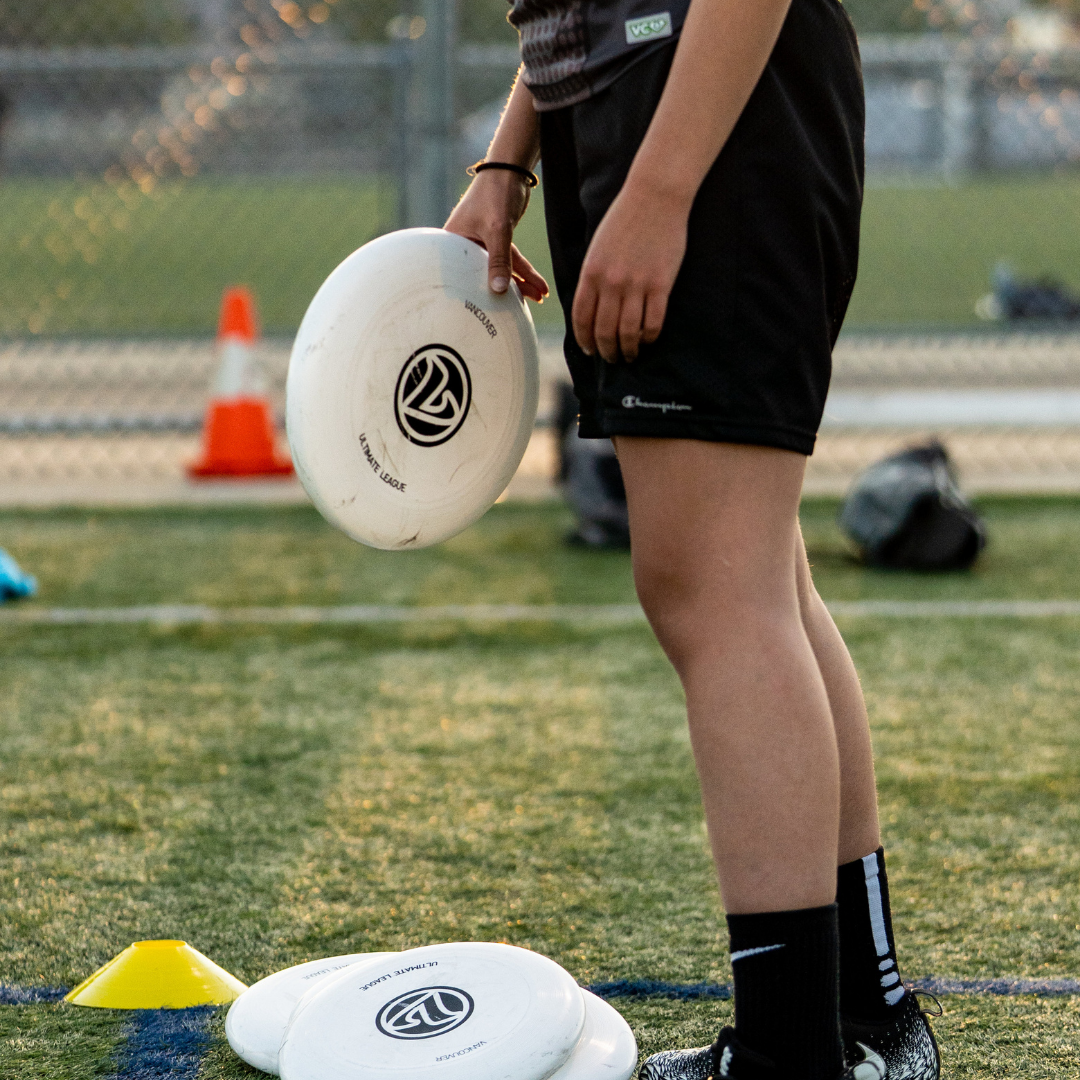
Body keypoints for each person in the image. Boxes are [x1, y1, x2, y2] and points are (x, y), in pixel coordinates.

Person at [445, 0, 940, 1077]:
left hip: (700, 99)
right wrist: (513, 157)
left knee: (716, 593)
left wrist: (661, 188)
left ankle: (789, 1055)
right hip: (643, 98)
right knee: (757, 578)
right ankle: (863, 1019)